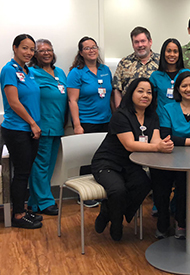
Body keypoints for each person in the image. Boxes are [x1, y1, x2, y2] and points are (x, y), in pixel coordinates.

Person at [91, 78, 173, 241]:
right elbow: (129, 145)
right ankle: (116, 223)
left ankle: (108, 210)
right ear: (131, 93)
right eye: (140, 91)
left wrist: (163, 144)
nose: (145, 95)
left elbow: (155, 139)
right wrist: (157, 148)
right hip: (107, 162)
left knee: (144, 184)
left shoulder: (152, 115)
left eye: (149, 92)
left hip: (129, 164)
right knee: (117, 190)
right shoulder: (121, 115)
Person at [152, 71, 190, 239]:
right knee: (161, 187)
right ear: (178, 89)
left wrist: (180, 139)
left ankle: (181, 222)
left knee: (184, 188)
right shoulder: (168, 108)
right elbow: (166, 136)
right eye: (184, 85)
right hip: (168, 156)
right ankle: (163, 222)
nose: (188, 89)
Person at [0, 34, 42, 229]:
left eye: (32, 49)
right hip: (18, 129)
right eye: (24, 48)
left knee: (25, 171)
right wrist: (33, 123)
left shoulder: (28, 71)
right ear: (15, 48)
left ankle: (22, 210)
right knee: (21, 173)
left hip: (29, 129)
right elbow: (14, 102)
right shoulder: (9, 70)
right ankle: (18, 215)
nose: (29, 52)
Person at [67, 36, 112, 207]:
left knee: (104, 157)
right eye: (87, 48)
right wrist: (77, 125)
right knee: (87, 158)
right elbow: (72, 101)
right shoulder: (76, 72)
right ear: (81, 53)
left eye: (94, 47)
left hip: (106, 121)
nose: (92, 50)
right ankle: (85, 195)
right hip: (86, 122)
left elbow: (109, 95)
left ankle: (102, 189)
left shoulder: (105, 70)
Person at [27, 39, 67, 216]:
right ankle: (45, 201)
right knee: (41, 164)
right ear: (35, 54)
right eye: (41, 50)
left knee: (49, 165)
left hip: (58, 125)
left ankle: (34, 203)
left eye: (49, 50)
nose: (46, 53)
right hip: (41, 126)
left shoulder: (60, 72)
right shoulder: (31, 72)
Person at [112, 26, 160, 107]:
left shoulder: (161, 61)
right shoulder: (124, 63)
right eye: (136, 42)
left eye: (143, 41)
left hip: (154, 113)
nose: (140, 45)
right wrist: (119, 112)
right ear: (133, 44)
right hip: (129, 113)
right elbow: (117, 89)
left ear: (150, 42)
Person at [149, 38, 190, 120]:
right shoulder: (155, 76)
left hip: (183, 118)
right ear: (163, 53)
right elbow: (151, 100)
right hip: (162, 118)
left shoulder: (187, 74)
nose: (172, 54)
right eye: (168, 51)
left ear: (179, 54)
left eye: (175, 51)